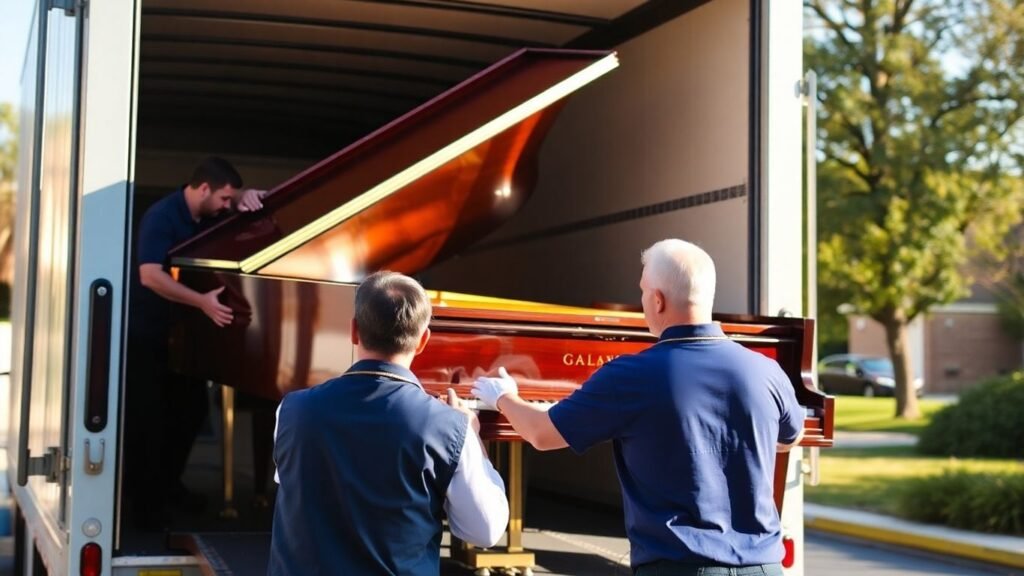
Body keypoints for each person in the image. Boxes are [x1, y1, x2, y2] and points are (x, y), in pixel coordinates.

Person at [471, 239, 804, 576]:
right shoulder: (766, 370)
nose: (642, 300)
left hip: (680, 568)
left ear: (657, 300)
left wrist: (504, 397)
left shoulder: (631, 375)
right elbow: (790, 436)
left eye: (644, 291)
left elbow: (542, 434)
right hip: (764, 567)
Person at [269, 271, 509, 576]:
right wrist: (472, 438)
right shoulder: (449, 427)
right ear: (423, 341)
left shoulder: (291, 410)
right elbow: (485, 531)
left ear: (354, 331)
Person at [125, 156, 267, 530]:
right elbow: (151, 276)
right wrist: (202, 302)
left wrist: (244, 198)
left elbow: (237, 206)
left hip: (181, 341)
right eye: (223, 198)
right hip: (146, 337)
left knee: (189, 413)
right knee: (148, 424)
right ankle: (143, 509)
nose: (226, 206)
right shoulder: (162, 216)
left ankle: (169, 487)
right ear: (203, 188)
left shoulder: (209, 213)